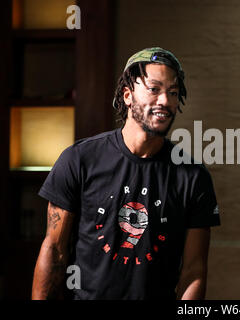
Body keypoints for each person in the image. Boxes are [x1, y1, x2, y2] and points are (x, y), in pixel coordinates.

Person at [31, 47, 221, 300]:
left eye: (173, 93)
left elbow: (193, 270)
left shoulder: (193, 177)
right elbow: (54, 250)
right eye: (154, 89)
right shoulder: (79, 159)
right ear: (128, 95)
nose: (164, 100)